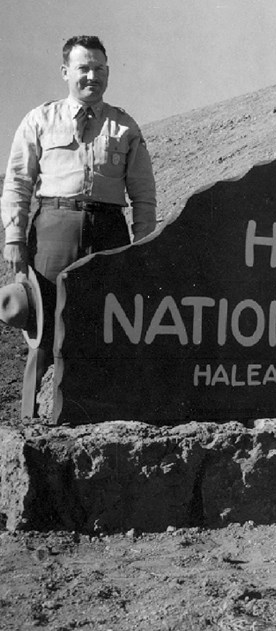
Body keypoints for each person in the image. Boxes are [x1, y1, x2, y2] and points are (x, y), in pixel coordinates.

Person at [1, 35, 157, 418]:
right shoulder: (40, 119)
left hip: (108, 232)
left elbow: (143, 195)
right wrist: (15, 238)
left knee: (105, 328)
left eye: (99, 69)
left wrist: (146, 245)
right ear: (66, 71)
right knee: (45, 327)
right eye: (84, 68)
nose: (92, 76)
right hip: (54, 229)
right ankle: (31, 420)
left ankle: (99, 418)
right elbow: (18, 182)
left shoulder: (124, 127)